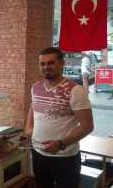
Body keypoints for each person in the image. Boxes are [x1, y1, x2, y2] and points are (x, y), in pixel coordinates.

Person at [25, 47, 94, 188]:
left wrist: (61, 143)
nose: (46, 67)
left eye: (51, 63)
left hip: (65, 157)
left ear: (62, 63)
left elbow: (87, 125)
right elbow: (33, 106)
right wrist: (28, 127)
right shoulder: (35, 87)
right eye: (42, 64)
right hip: (38, 152)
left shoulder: (75, 90)